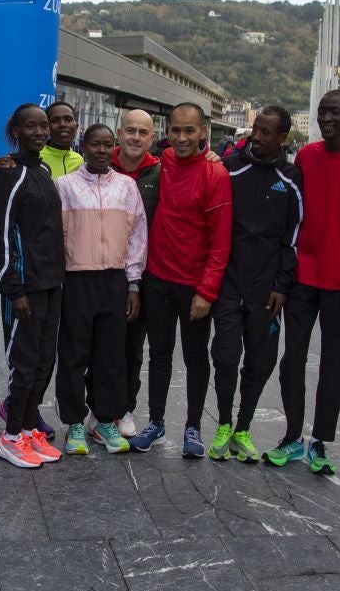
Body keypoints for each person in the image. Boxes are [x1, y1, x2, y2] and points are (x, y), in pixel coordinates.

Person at [267, 89, 340, 474]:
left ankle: (321, 443)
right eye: (321, 112)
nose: (327, 118)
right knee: (292, 361)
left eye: (335, 111)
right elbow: (293, 215)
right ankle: (292, 437)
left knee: (334, 363)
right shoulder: (307, 155)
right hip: (303, 277)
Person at [128, 102, 232, 458]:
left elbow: (221, 241)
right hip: (157, 278)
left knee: (195, 358)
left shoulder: (215, 174)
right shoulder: (163, 162)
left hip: (193, 286)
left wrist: (207, 291)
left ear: (203, 131)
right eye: (176, 130)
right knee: (158, 354)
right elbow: (120, 153)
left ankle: (193, 427)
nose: (183, 137)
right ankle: (155, 422)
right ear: (167, 132)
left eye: (190, 130)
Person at [209, 106, 302, 463]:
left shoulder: (291, 178)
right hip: (229, 285)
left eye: (267, 133)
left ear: (282, 139)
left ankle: (243, 429)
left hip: (268, 291)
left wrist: (283, 284)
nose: (258, 138)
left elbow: (293, 237)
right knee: (226, 357)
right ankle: (223, 424)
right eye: (256, 129)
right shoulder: (230, 169)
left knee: (260, 363)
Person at [55, 123, 146, 456]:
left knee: (111, 355)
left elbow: (138, 235)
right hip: (77, 278)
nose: (102, 150)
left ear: (115, 147)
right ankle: (75, 422)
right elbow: (57, 235)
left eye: (108, 144)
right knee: (74, 354)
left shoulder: (127, 187)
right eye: (95, 144)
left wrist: (133, 282)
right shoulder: (64, 186)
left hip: (115, 279)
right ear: (85, 146)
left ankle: (105, 419)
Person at [0, 103, 65, 468]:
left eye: (43, 125)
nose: (39, 131)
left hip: (52, 283)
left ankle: (28, 427)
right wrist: (14, 288)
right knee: (24, 362)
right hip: (25, 288)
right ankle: (11, 436)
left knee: (44, 361)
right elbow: (0, 235)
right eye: (30, 126)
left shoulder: (45, 169)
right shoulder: (9, 172)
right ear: (15, 131)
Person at [98, 108, 161, 437]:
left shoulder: (162, 172)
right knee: (98, 345)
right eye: (130, 130)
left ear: (152, 138)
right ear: (119, 134)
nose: (136, 137)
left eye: (143, 132)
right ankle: (98, 407)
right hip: (100, 271)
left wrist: (211, 157)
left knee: (131, 347)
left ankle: (124, 408)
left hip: (143, 276)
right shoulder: (98, 165)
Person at [40, 100, 83, 179]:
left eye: (68, 119)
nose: (62, 124)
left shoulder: (79, 161)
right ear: (47, 128)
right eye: (55, 120)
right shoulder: (35, 157)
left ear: (76, 127)